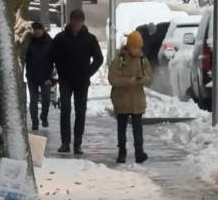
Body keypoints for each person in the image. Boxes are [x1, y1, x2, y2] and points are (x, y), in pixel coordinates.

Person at [51, 9, 104, 155]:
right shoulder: (60, 38)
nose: (76, 23)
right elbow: (52, 57)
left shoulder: (90, 39)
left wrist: (88, 73)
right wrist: (57, 71)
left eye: (79, 21)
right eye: (74, 20)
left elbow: (99, 59)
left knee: (80, 112)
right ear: (70, 20)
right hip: (66, 80)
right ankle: (65, 142)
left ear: (83, 22)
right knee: (66, 110)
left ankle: (78, 143)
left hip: (81, 81)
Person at [108, 31, 151, 164]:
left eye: (139, 48)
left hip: (137, 101)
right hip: (122, 101)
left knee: (138, 129)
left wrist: (142, 79)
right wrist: (127, 81)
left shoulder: (143, 61)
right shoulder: (119, 60)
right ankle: (122, 152)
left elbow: (150, 78)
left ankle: (139, 152)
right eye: (135, 48)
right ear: (129, 47)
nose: (137, 51)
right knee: (122, 128)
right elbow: (112, 79)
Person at [25, 21, 54, 131]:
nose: (37, 32)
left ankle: (44, 116)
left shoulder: (49, 41)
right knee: (33, 99)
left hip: (46, 75)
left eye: (39, 29)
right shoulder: (28, 41)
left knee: (46, 98)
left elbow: (52, 59)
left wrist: (50, 77)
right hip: (32, 75)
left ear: (43, 30)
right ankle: (34, 121)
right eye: (35, 30)